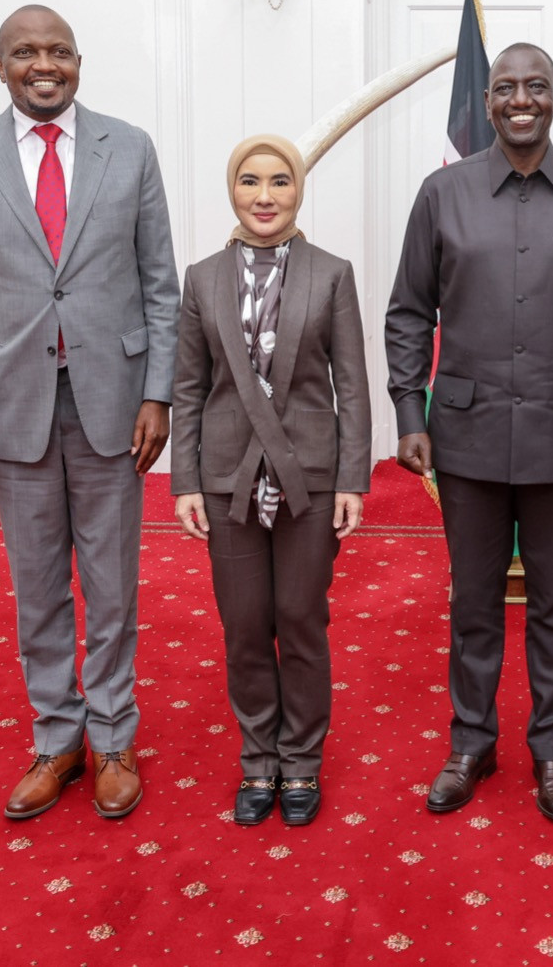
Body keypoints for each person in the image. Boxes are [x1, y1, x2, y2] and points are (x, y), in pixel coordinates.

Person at [384, 42, 553, 823]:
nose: (521, 98)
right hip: (463, 437)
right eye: (506, 87)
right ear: (489, 101)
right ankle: (471, 742)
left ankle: (552, 750)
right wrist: (408, 411)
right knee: (472, 602)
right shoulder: (443, 193)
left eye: (536, 86)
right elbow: (408, 312)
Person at [0, 5, 180, 820]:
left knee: (111, 588)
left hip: (113, 403)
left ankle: (112, 737)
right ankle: (57, 738)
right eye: (26, 52)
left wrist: (158, 393)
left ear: (79, 61)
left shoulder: (130, 148)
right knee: (37, 588)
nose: (46, 64)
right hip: (11, 405)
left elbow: (159, 286)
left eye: (60, 51)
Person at [170, 134, 370, 827]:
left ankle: (303, 762)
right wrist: (185, 481)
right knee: (246, 627)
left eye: (279, 181)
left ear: (299, 189)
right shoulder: (200, 278)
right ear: (233, 190)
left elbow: (352, 384)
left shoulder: (333, 272)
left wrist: (353, 478)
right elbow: (189, 388)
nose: (264, 195)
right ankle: (260, 761)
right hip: (226, 480)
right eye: (250, 181)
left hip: (310, 478)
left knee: (301, 621)